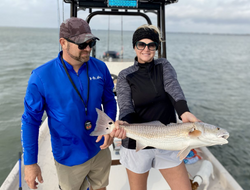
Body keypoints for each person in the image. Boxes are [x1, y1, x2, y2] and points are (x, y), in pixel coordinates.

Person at [21, 17, 117, 190]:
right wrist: (30, 163)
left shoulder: (100, 67)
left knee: (101, 187)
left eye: (91, 43)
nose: (88, 48)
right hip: (68, 155)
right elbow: (30, 121)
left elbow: (109, 100)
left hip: (100, 147)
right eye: (82, 44)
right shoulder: (41, 77)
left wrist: (109, 127)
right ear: (63, 43)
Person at [115, 24, 200, 190]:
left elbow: (173, 89)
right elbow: (125, 107)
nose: (146, 49)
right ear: (134, 46)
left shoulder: (164, 65)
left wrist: (184, 112)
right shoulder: (125, 75)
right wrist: (125, 123)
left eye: (151, 45)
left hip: (168, 140)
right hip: (136, 143)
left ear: (156, 48)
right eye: (141, 44)